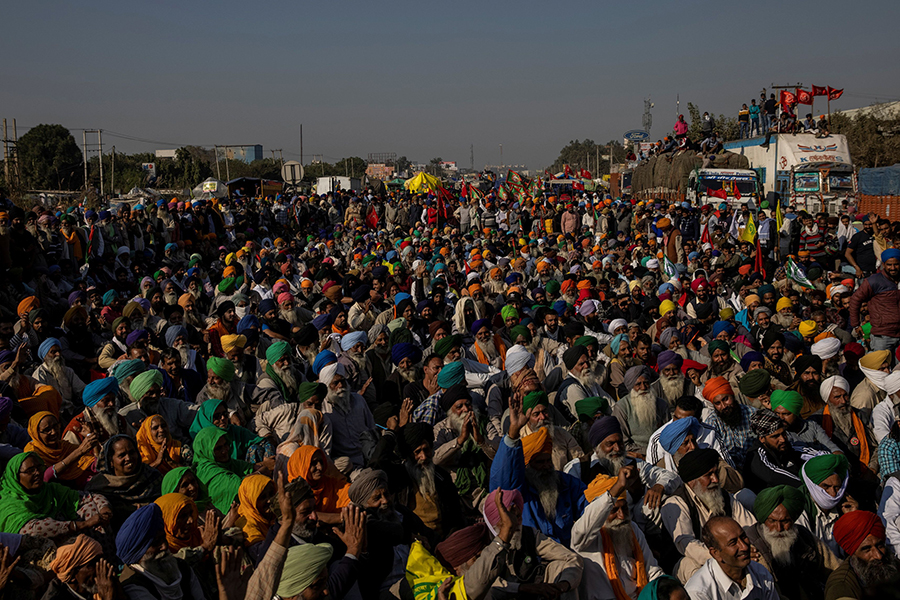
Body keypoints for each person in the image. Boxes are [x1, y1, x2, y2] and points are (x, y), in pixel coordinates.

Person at [661, 448, 757, 582]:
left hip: (730, 554)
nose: (716, 479)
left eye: (716, 473)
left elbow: (749, 525)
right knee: (689, 564)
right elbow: (688, 546)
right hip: (692, 561)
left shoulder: (724, 496)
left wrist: (750, 548)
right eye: (709, 475)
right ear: (692, 480)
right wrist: (724, 557)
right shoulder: (675, 504)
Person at [684, 516, 778, 599]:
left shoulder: (761, 573)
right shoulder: (699, 593)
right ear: (716, 553)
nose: (744, 546)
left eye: (743, 537)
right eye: (733, 543)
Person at [825, 510, 900, 599]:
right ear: (852, 553)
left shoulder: (892, 565)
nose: (878, 556)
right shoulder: (842, 586)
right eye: (867, 549)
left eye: (880, 546)